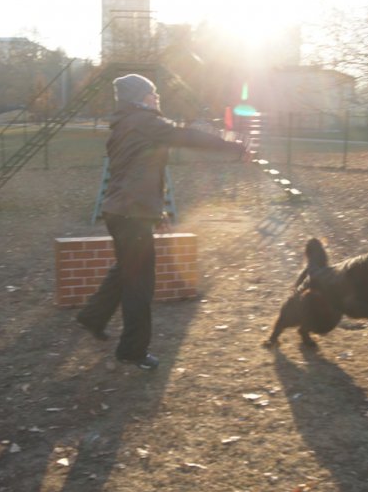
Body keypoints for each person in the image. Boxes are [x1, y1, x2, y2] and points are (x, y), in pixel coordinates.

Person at [76, 73, 247, 371]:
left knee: (126, 270)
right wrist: (234, 146)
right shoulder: (144, 122)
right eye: (152, 93)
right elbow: (186, 135)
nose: (156, 98)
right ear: (139, 97)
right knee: (139, 285)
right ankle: (132, 351)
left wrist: (158, 212)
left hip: (120, 212)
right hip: (131, 214)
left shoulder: (124, 125)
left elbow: (141, 170)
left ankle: (92, 316)